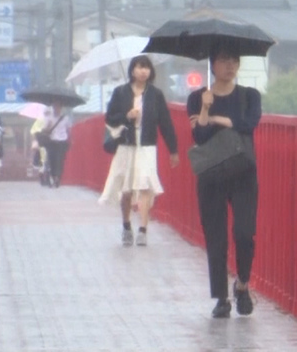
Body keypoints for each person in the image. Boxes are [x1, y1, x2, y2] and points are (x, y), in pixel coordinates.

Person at [187, 44, 262, 319]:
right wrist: (206, 109)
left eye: (234, 60)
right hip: (211, 175)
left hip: (243, 173)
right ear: (212, 65)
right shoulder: (197, 98)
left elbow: (248, 124)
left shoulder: (249, 95)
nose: (230, 65)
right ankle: (221, 298)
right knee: (216, 237)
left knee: (244, 232)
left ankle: (242, 284)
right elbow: (200, 137)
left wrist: (217, 118)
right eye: (223, 60)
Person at [100, 55, 180, 247]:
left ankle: (143, 230)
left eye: (147, 67)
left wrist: (173, 149)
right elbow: (110, 118)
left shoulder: (156, 94)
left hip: (147, 146)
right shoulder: (120, 93)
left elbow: (166, 123)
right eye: (139, 67)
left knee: (145, 186)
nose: (143, 71)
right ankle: (127, 226)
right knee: (126, 189)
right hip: (126, 145)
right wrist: (127, 116)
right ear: (132, 71)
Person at [41, 101, 72, 188]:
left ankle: (57, 178)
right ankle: (53, 177)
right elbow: (44, 130)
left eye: (58, 107)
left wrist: (70, 140)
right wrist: (49, 126)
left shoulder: (65, 118)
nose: (56, 109)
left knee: (60, 160)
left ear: (61, 108)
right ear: (53, 107)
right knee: (52, 160)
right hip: (51, 141)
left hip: (62, 142)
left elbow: (68, 130)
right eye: (55, 107)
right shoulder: (49, 118)